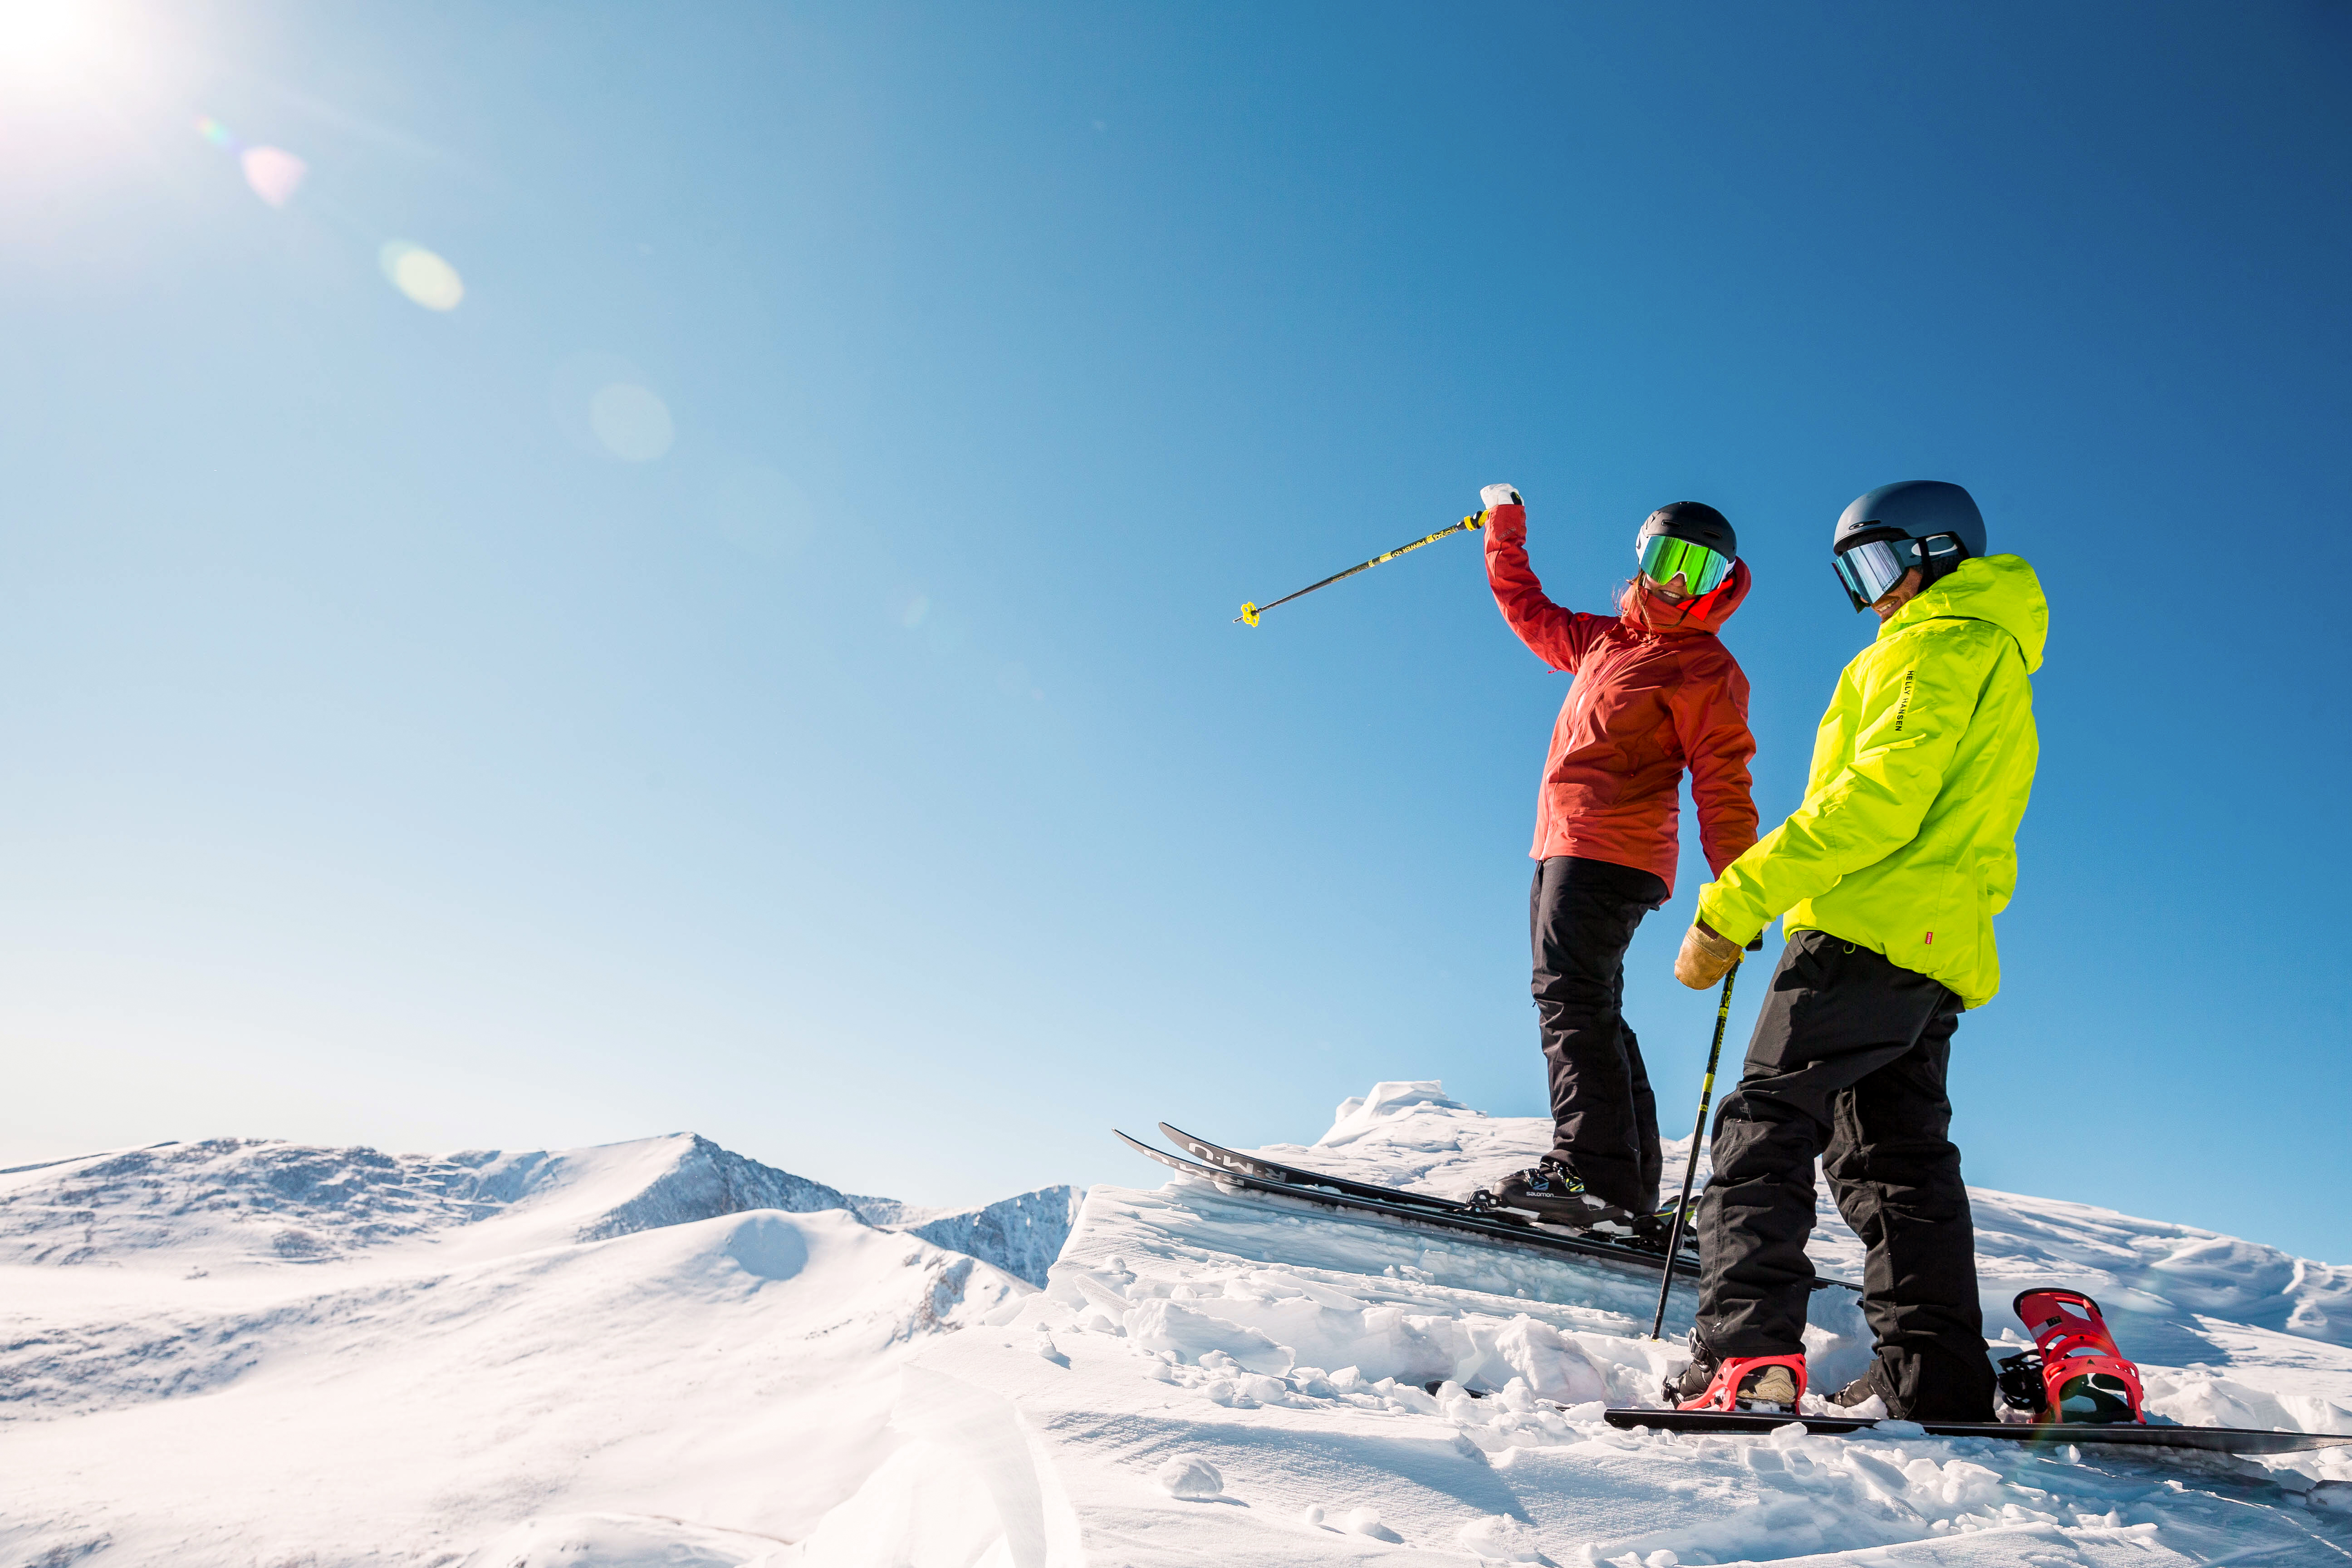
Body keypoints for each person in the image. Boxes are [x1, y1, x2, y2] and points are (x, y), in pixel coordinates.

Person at [1667, 480, 2046, 1419]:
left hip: (1861, 929)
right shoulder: (1992, 659)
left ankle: (1746, 1354)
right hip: (1931, 950)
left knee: (1767, 1122)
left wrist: (1737, 900)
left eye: (1879, 564)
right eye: (1853, 573)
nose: (1871, 593)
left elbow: (1881, 797)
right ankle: (1937, 1378)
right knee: (1897, 1164)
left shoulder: (1934, 647)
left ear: (1940, 553)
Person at [1478, 482, 1759, 1235]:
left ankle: (1592, 1171)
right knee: (1589, 1000)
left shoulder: (1704, 667)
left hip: (1613, 850)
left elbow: (1724, 780)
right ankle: (1627, 1184)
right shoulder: (1608, 642)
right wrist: (1504, 530)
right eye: (1670, 559)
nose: (1678, 581)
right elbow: (1529, 614)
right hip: (1564, 845)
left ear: (1721, 583)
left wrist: (1744, 888)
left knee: (1568, 996)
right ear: (1644, 557)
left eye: (1701, 571)